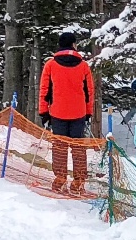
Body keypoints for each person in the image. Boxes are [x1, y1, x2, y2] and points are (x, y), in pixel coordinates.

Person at [38, 30, 98, 195]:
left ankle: (60, 179)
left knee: (59, 147)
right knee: (78, 148)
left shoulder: (50, 65)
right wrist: (88, 113)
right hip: (78, 114)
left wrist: (44, 112)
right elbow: (89, 92)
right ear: (73, 45)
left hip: (57, 114)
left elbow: (44, 90)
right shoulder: (84, 65)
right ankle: (78, 182)